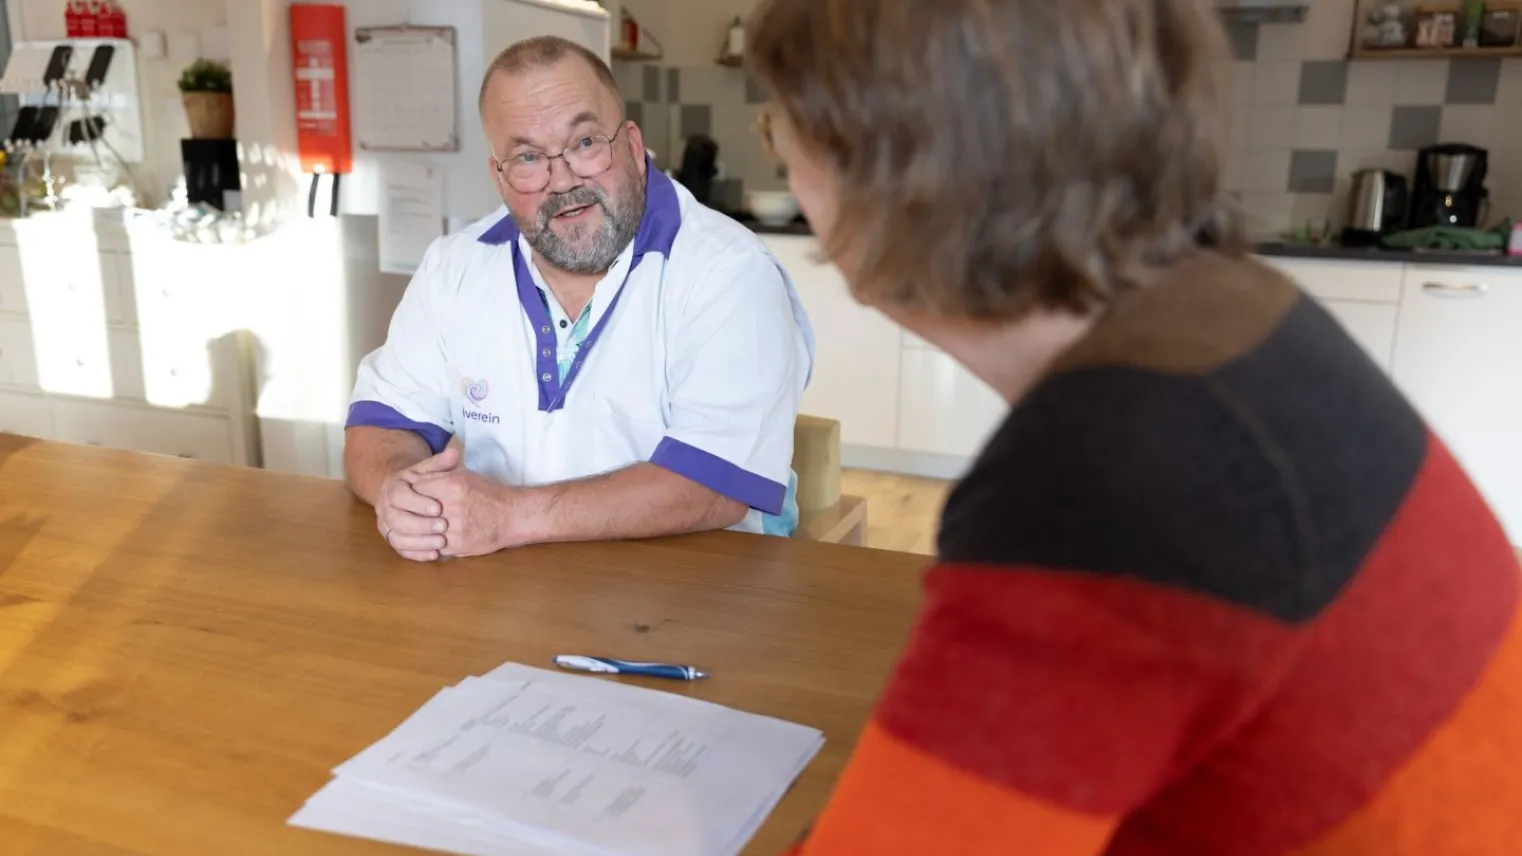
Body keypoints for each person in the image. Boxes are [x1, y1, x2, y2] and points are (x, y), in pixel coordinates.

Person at [748, 0, 1522, 853]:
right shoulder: (1226, 313)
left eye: (782, 123)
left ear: (890, 167)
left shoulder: (1111, 461)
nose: (778, 153)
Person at [346, 36, 814, 561]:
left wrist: (509, 517)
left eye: (586, 143)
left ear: (633, 147)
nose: (563, 180)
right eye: (526, 157)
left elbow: (717, 486)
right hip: (503, 591)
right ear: (498, 177)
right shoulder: (454, 268)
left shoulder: (728, 272)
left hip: (694, 597)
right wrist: (398, 492)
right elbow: (382, 423)